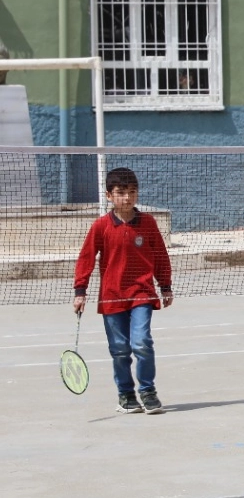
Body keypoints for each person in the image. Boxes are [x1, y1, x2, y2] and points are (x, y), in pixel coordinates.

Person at [73, 167, 173, 415]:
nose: (127, 198)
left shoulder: (148, 223)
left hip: (142, 294)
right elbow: (86, 258)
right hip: (112, 296)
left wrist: (165, 285)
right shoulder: (101, 226)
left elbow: (160, 255)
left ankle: (148, 391)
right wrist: (80, 290)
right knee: (119, 349)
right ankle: (126, 395)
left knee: (142, 343)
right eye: (120, 193)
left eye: (132, 192)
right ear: (109, 196)